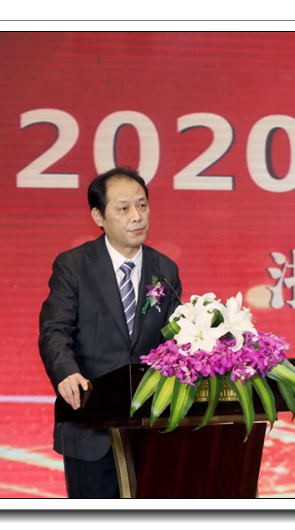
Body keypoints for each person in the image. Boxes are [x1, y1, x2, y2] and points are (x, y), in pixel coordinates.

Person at [39, 167, 182, 498]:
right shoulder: (74, 265)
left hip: (150, 427)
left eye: (142, 205)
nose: (137, 216)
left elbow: (174, 337)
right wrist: (66, 372)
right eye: (124, 208)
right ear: (98, 216)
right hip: (91, 420)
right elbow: (54, 330)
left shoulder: (164, 269)